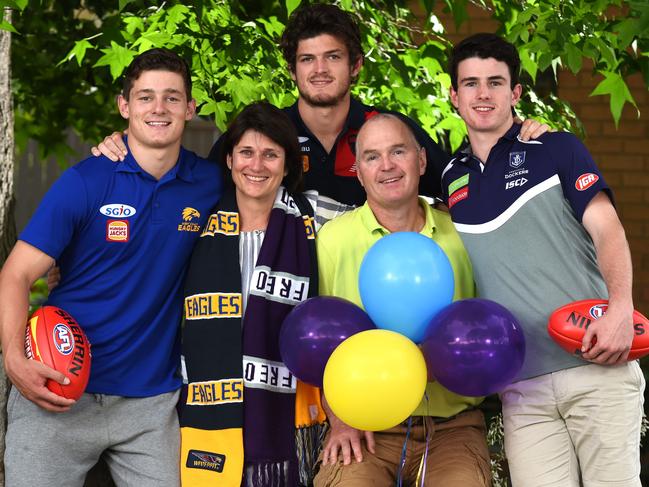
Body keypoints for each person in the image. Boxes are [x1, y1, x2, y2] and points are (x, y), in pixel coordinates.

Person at [0, 48, 223, 486]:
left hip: (150, 403)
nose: (158, 108)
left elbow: (266, 168)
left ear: (190, 108)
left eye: (172, 98)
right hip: (57, 389)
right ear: (125, 106)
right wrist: (12, 357)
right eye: (145, 97)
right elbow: (16, 274)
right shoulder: (87, 181)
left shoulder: (210, 183)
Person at [92, 4, 547, 205]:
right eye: (307, 59)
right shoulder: (263, 135)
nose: (320, 69)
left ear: (356, 66)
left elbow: (463, 190)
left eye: (333, 57)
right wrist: (127, 145)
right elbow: (188, 188)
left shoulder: (389, 132)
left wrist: (516, 138)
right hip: (279, 308)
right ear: (292, 70)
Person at [442, 33, 644, 487]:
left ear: (515, 93)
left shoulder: (556, 148)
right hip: (521, 387)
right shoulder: (449, 175)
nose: (483, 94)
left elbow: (608, 229)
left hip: (596, 365)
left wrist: (621, 308)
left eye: (496, 82)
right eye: (470, 83)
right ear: (453, 96)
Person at [179, 101, 352, 487]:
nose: (256, 166)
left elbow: (384, 214)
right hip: (206, 403)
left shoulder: (317, 219)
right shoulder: (194, 222)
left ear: (288, 165)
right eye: (246, 152)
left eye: (271, 154)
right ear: (229, 159)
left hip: (289, 409)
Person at [314, 113, 491, 486]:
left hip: (452, 427)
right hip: (366, 427)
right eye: (372, 157)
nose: (387, 166)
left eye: (398, 151)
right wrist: (340, 417)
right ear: (358, 172)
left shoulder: (463, 233)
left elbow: (485, 324)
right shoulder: (333, 240)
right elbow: (320, 344)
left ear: (421, 160)